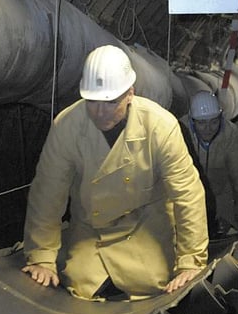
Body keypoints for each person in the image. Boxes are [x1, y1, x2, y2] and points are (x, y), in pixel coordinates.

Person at [22, 45, 209, 300]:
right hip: (91, 232)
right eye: (93, 102)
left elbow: (187, 194)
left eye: (110, 103)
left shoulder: (160, 126)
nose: (99, 112)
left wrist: (190, 261)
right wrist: (42, 256)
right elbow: (48, 191)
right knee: (79, 285)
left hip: (146, 227)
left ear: (130, 94)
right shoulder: (67, 126)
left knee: (152, 288)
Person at [180, 90, 238, 240]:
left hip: (222, 199)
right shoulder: (179, 131)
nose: (208, 128)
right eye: (201, 123)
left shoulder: (230, 134)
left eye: (214, 122)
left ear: (220, 117)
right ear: (192, 121)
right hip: (189, 199)